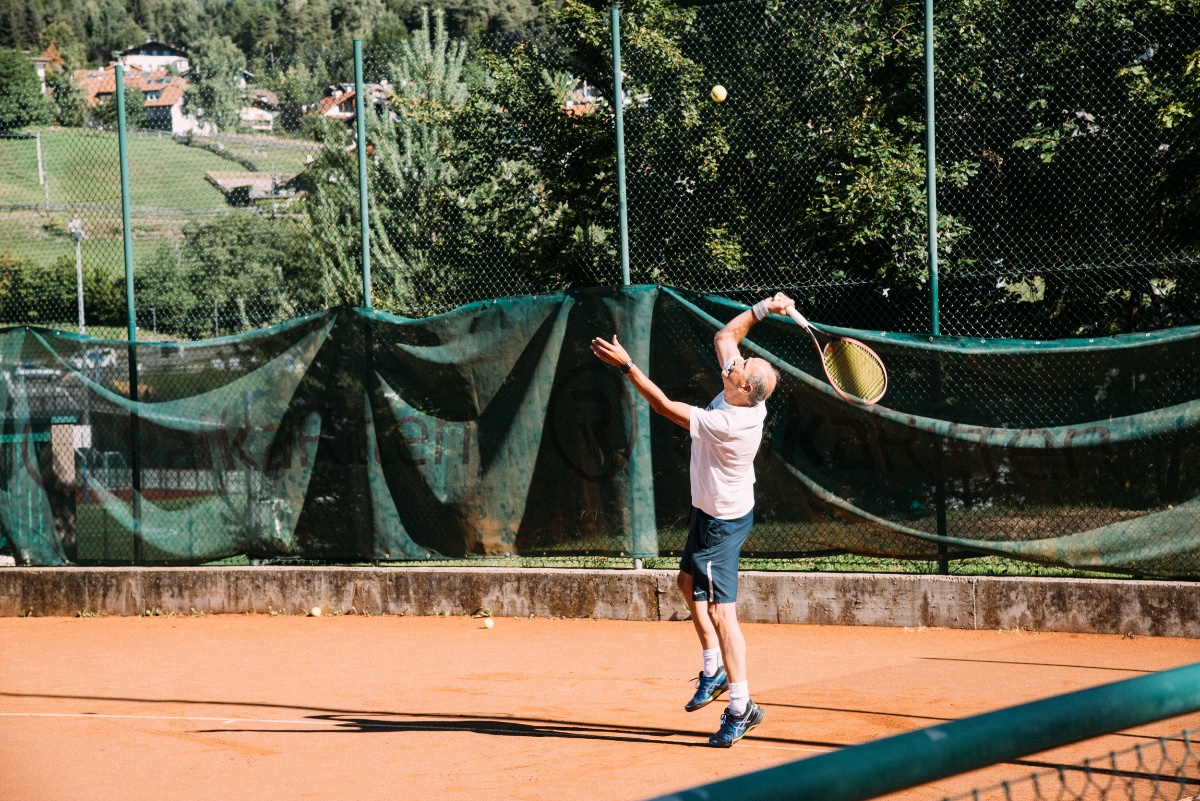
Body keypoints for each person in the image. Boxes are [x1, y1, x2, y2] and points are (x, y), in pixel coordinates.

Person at [590, 291, 792, 747]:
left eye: (742, 366)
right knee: (686, 584)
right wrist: (765, 307)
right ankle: (713, 669)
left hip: (724, 522)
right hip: (709, 510)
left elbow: (663, 406)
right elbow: (725, 336)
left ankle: (741, 707)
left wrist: (627, 366)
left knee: (722, 612)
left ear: (745, 390)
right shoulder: (741, 389)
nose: (736, 361)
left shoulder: (731, 424)